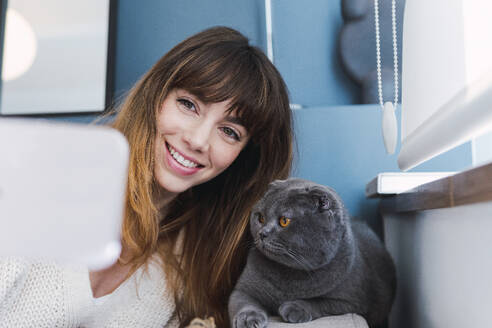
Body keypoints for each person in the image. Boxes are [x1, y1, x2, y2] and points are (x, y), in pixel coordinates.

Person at [0, 26, 293, 328]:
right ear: (157, 96)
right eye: (189, 105)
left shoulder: (191, 264)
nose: (198, 140)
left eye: (229, 132)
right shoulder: (37, 180)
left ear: (242, 158)